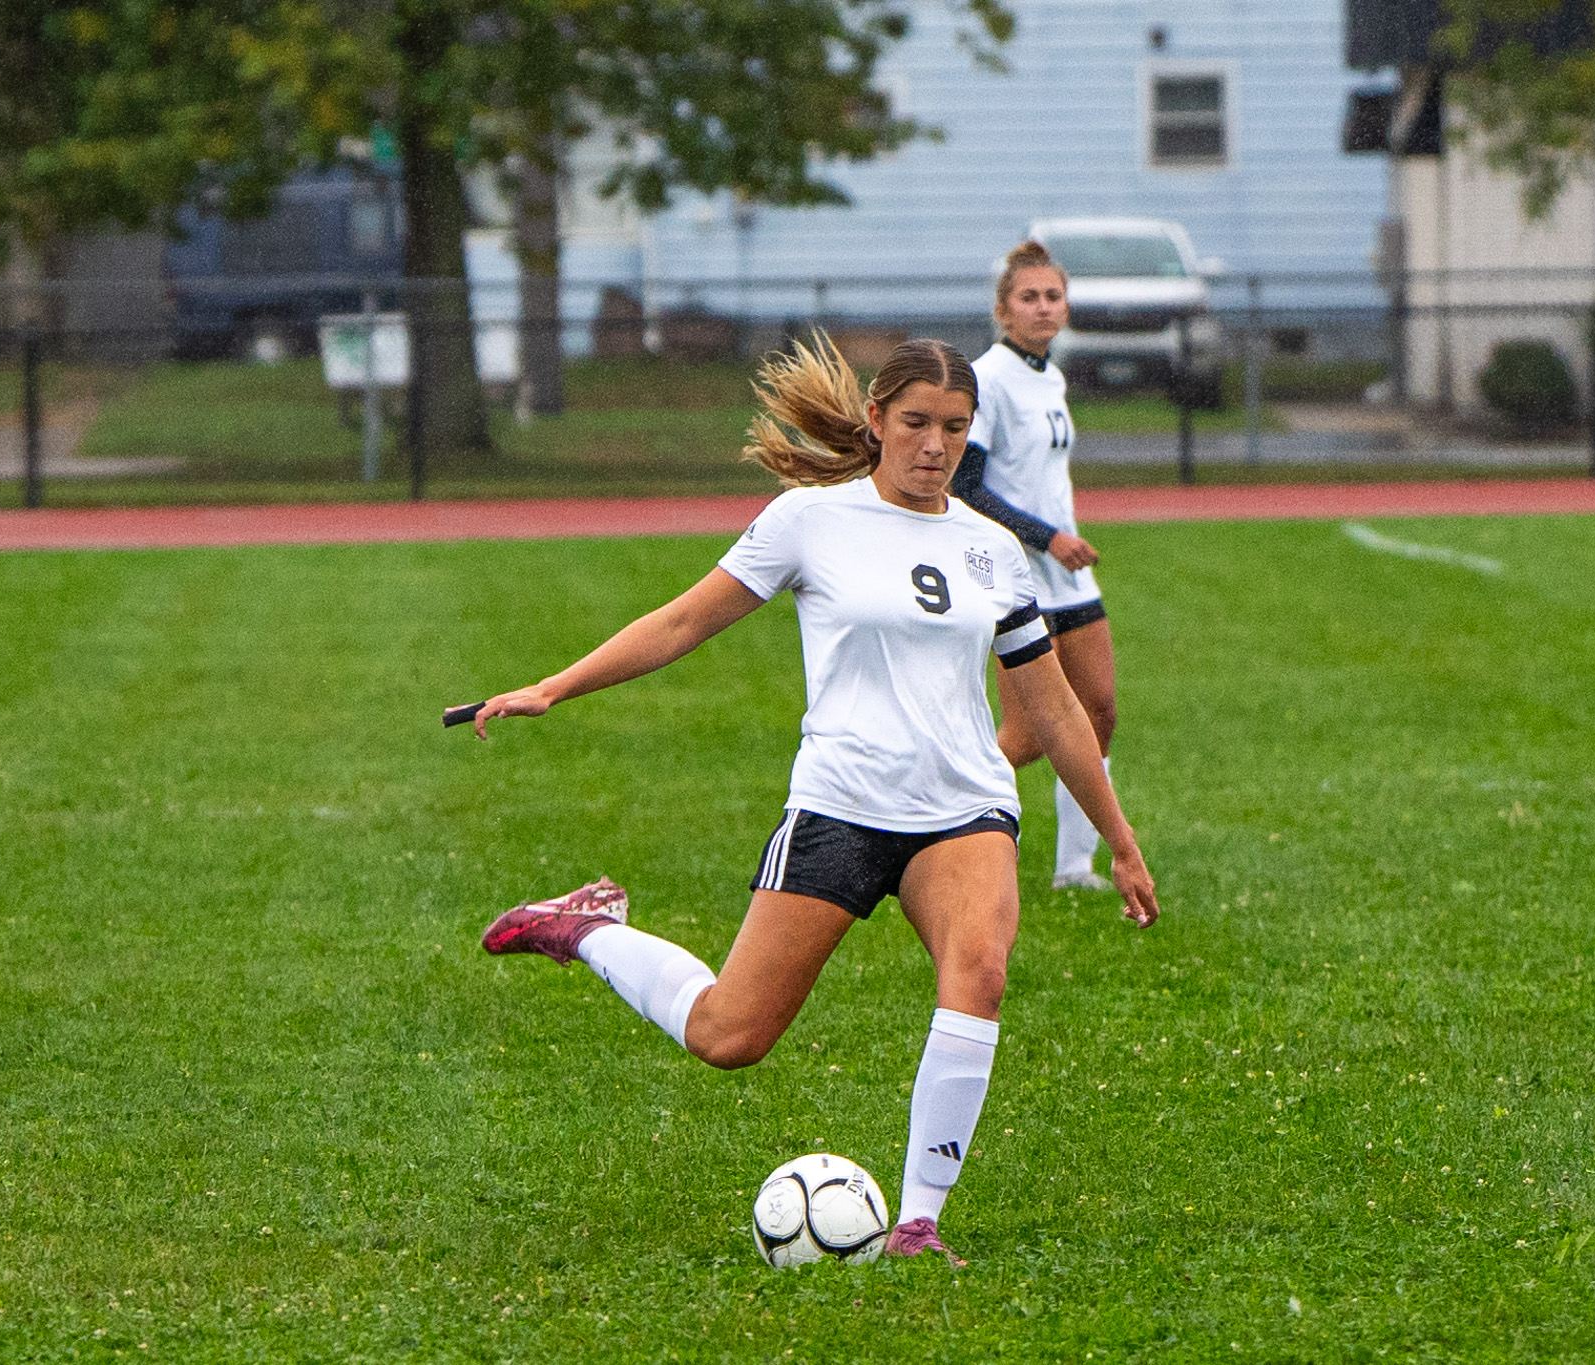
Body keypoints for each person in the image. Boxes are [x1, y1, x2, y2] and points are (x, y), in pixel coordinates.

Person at [459, 335, 1159, 1265]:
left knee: (978, 971)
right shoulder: (807, 521)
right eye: (915, 423)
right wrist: (554, 685)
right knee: (729, 1035)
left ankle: (917, 1223)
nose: (934, 445)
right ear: (875, 422)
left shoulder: (994, 551)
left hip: (962, 810)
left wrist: (1118, 836)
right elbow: (680, 621)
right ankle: (587, 926)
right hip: (838, 805)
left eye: (954, 428)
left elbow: (1055, 710)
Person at [952, 240, 1118, 891]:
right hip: (1017, 574)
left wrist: (1061, 541)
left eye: (1053, 295)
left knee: (1098, 711)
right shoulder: (986, 378)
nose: (1044, 306)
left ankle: (1075, 868)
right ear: (1003, 309)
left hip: (1070, 574)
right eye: (1029, 296)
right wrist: (1047, 537)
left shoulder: (1050, 374)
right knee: (1024, 734)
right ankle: (938, 829)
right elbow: (968, 486)